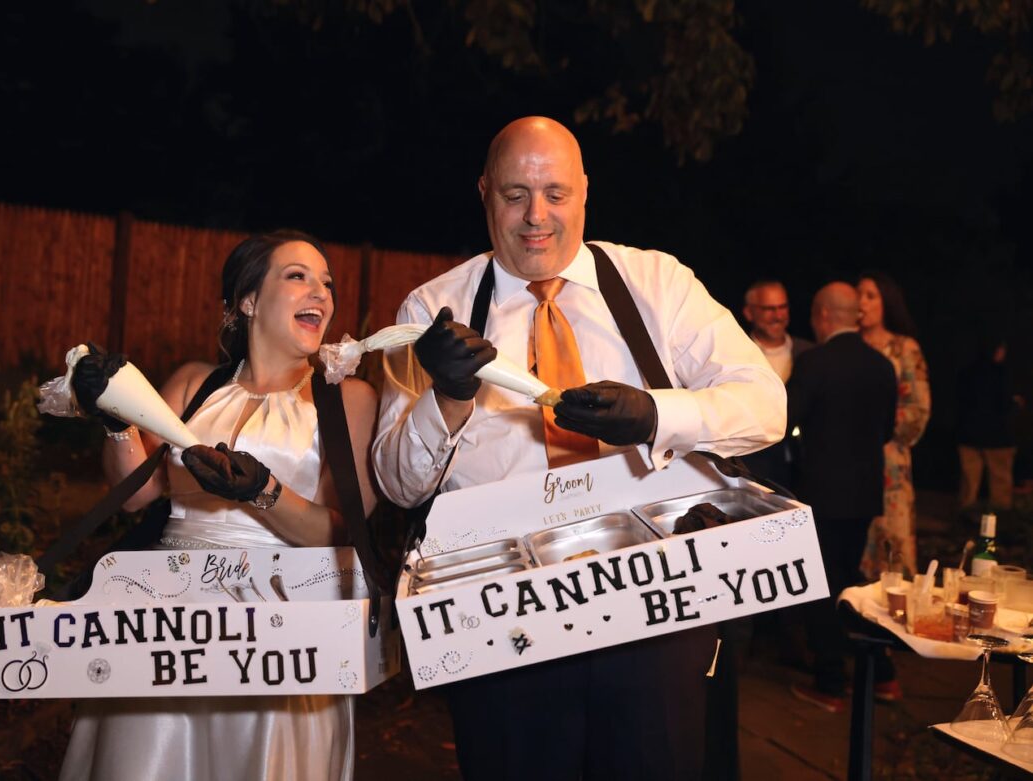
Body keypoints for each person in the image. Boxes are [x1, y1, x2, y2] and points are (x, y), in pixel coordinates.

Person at [372, 116, 785, 781]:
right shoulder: (432, 308)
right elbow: (398, 483)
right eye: (515, 195)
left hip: (655, 608)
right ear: (484, 192)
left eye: (555, 194)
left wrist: (657, 414)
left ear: (585, 191)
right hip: (501, 621)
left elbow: (766, 404)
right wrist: (445, 397)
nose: (536, 216)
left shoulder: (657, 283)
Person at [58, 230, 378, 781]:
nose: (321, 293)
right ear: (248, 300)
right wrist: (116, 420)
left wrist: (262, 492)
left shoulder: (346, 398)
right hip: (166, 621)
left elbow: (339, 533)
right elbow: (136, 494)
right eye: (298, 276)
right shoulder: (194, 384)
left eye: (327, 283)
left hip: (280, 631)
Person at [785, 282, 897, 713]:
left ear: (822, 315)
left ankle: (831, 682)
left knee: (819, 585)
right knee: (851, 579)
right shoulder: (881, 365)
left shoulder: (814, 362)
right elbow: (887, 430)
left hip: (822, 491)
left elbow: (787, 420)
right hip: (865, 492)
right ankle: (882, 672)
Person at [856, 270, 930, 580]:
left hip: (889, 459)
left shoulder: (904, 348)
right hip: (849, 458)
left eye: (870, 296)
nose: (862, 302)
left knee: (891, 543)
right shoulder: (848, 345)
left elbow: (918, 407)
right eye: (858, 295)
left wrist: (880, 429)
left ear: (886, 302)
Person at [741, 279, 813, 489]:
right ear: (749, 313)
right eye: (769, 309)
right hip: (755, 465)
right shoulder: (738, 353)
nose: (778, 315)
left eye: (782, 307)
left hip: (804, 466)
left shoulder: (808, 352)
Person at [957, 332, 1022, 510]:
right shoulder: (1002, 375)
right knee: (1000, 484)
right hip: (998, 438)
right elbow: (1004, 403)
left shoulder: (967, 373)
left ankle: (965, 518)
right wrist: (1015, 403)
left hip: (969, 436)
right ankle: (999, 520)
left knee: (969, 484)